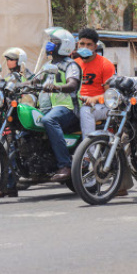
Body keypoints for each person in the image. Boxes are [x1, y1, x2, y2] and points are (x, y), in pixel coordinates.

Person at [75, 28, 133, 195]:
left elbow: (110, 94)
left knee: (87, 111)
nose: (85, 46)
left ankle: (88, 155)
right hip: (76, 105)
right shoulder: (75, 64)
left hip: (101, 107)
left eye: (89, 44)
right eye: (82, 43)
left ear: (95, 46)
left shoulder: (105, 65)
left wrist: (94, 99)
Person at [38, 27, 82, 182]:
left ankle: (65, 165)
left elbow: (72, 85)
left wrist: (57, 87)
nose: (50, 44)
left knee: (48, 120)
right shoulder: (48, 65)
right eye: (50, 41)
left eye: (54, 42)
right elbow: (35, 80)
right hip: (50, 108)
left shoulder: (70, 65)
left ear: (64, 45)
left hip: (69, 108)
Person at [0, 47, 29, 198]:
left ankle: (9, 185)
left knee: (11, 150)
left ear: (20, 60)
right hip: (7, 117)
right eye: (7, 59)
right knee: (4, 150)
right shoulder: (7, 77)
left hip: (21, 117)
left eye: (11, 59)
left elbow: (31, 90)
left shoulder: (27, 76)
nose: (8, 62)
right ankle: (6, 185)